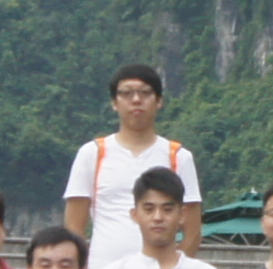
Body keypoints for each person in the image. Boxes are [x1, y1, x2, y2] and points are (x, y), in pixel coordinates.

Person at [59, 63, 195, 240]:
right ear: (115, 103)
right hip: (103, 258)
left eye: (145, 93)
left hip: (161, 259)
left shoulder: (178, 157)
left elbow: (192, 233)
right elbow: (74, 228)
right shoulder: (92, 154)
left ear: (159, 101)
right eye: (127, 93)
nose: (136, 100)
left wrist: (176, 260)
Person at [92, 166, 217, 269]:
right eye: (149, 209)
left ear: (182, 215)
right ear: (135, 215)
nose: (158, 217)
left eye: (167, 209)